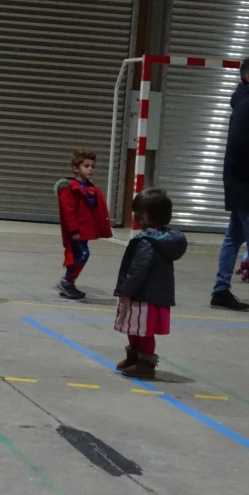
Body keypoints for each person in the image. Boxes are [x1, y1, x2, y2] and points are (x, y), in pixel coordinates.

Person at [114, 188, 187, 379]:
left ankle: (145, 364)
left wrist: (126, 291)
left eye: (139, 213)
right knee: (137, 328)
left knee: (141, 331)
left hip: (143, 295)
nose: (136, 216)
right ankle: (135, 358)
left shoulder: (148, 242)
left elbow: (138, 270)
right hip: (153, 295)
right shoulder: (162, 240)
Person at [210, 57, 249, 311]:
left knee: (232, 238)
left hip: (240, 184)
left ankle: (221, 290)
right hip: (244, 184)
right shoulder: (246, 104)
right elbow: (238, 146)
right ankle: (221, 290)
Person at [54, 149, 112, 299]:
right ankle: (67, 281)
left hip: (85, 229)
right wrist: (74, 231)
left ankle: (68, 282)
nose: (90, 169)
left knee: (81, 254)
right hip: (76, 231)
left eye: (92, 166)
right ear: (76, 168)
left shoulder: (91, 188)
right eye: (86, 166)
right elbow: (69, 212)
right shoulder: (69, 188)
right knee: (82, 254)